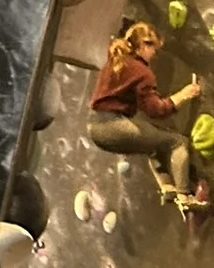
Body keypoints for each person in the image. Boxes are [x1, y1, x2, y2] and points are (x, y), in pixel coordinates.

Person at [87, 22, 206, 211]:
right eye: (154, 49)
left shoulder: (115, 59)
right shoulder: (142, 71)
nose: (155, 55)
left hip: (95, 128)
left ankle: (167, 187)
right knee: (177, 142)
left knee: (152, 144)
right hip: (113, 126)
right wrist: (185, 94)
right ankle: (185, 197)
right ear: (144, 46)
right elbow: (156, 110)